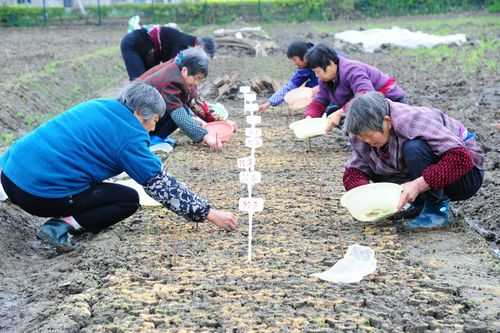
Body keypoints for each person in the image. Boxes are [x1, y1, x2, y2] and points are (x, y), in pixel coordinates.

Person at [0, 82, 237, 253]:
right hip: (37, 194)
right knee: (126, 199)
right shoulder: (129, 135)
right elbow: (160, 186)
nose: (153, 128)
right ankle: (60, 226)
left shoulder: (100, 106)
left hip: (10, 175)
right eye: (154, 120)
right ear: (138, 113)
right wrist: (209, 214)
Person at [342, 92, 484, 231]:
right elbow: (354, 171)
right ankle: (420, 205)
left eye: (369, 136)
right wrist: (363, 197)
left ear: (387, 122)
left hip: (466, 175)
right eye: (362, 137)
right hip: (432, 172)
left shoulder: (411, 120)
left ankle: (436, 209)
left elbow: (461, 159)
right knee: (378, 162)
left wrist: (417, 185)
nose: (366, 141)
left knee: (414, 148)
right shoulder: (361, 134)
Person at [140, 48, 228, 151]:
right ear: (185, 70)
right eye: (196, 78)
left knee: (183, 108)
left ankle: (158, 137)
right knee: (180, 112)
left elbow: (194, 101)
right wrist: (204, 136)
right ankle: (153, 139)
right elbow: (179, 115)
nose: (197, 83)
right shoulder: (170, 80)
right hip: (141, 119)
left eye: (200, 80)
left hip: (151, 113)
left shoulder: (180, 68)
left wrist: (218, 121)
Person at [304, 44, 406, 132]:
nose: (317, 76)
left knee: (340, 114)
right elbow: (320, 100)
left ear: (330, 63)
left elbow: (365, 96)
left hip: (388, 102)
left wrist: (340, 113)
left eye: (317, 72)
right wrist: (310, 117)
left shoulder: (352, 70)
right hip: (364, 105)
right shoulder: (325, 80)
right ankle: (361, 139)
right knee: (332, 112)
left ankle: (368, 140)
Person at [121, 25, 216, 81]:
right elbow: (172, 69)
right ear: (200, 47)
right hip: (133, 44)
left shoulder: (186, 43)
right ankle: (127, 109)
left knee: (148, 81)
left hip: (147, 50)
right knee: (138, 82)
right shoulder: (184, 46)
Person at [258, 41, 318, 112]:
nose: (294, 63)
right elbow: (289, 87)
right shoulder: (304, 69)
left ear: (304, 56)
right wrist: (269, 103)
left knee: (309, 87)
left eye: (295, 59)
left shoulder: (322, 59)